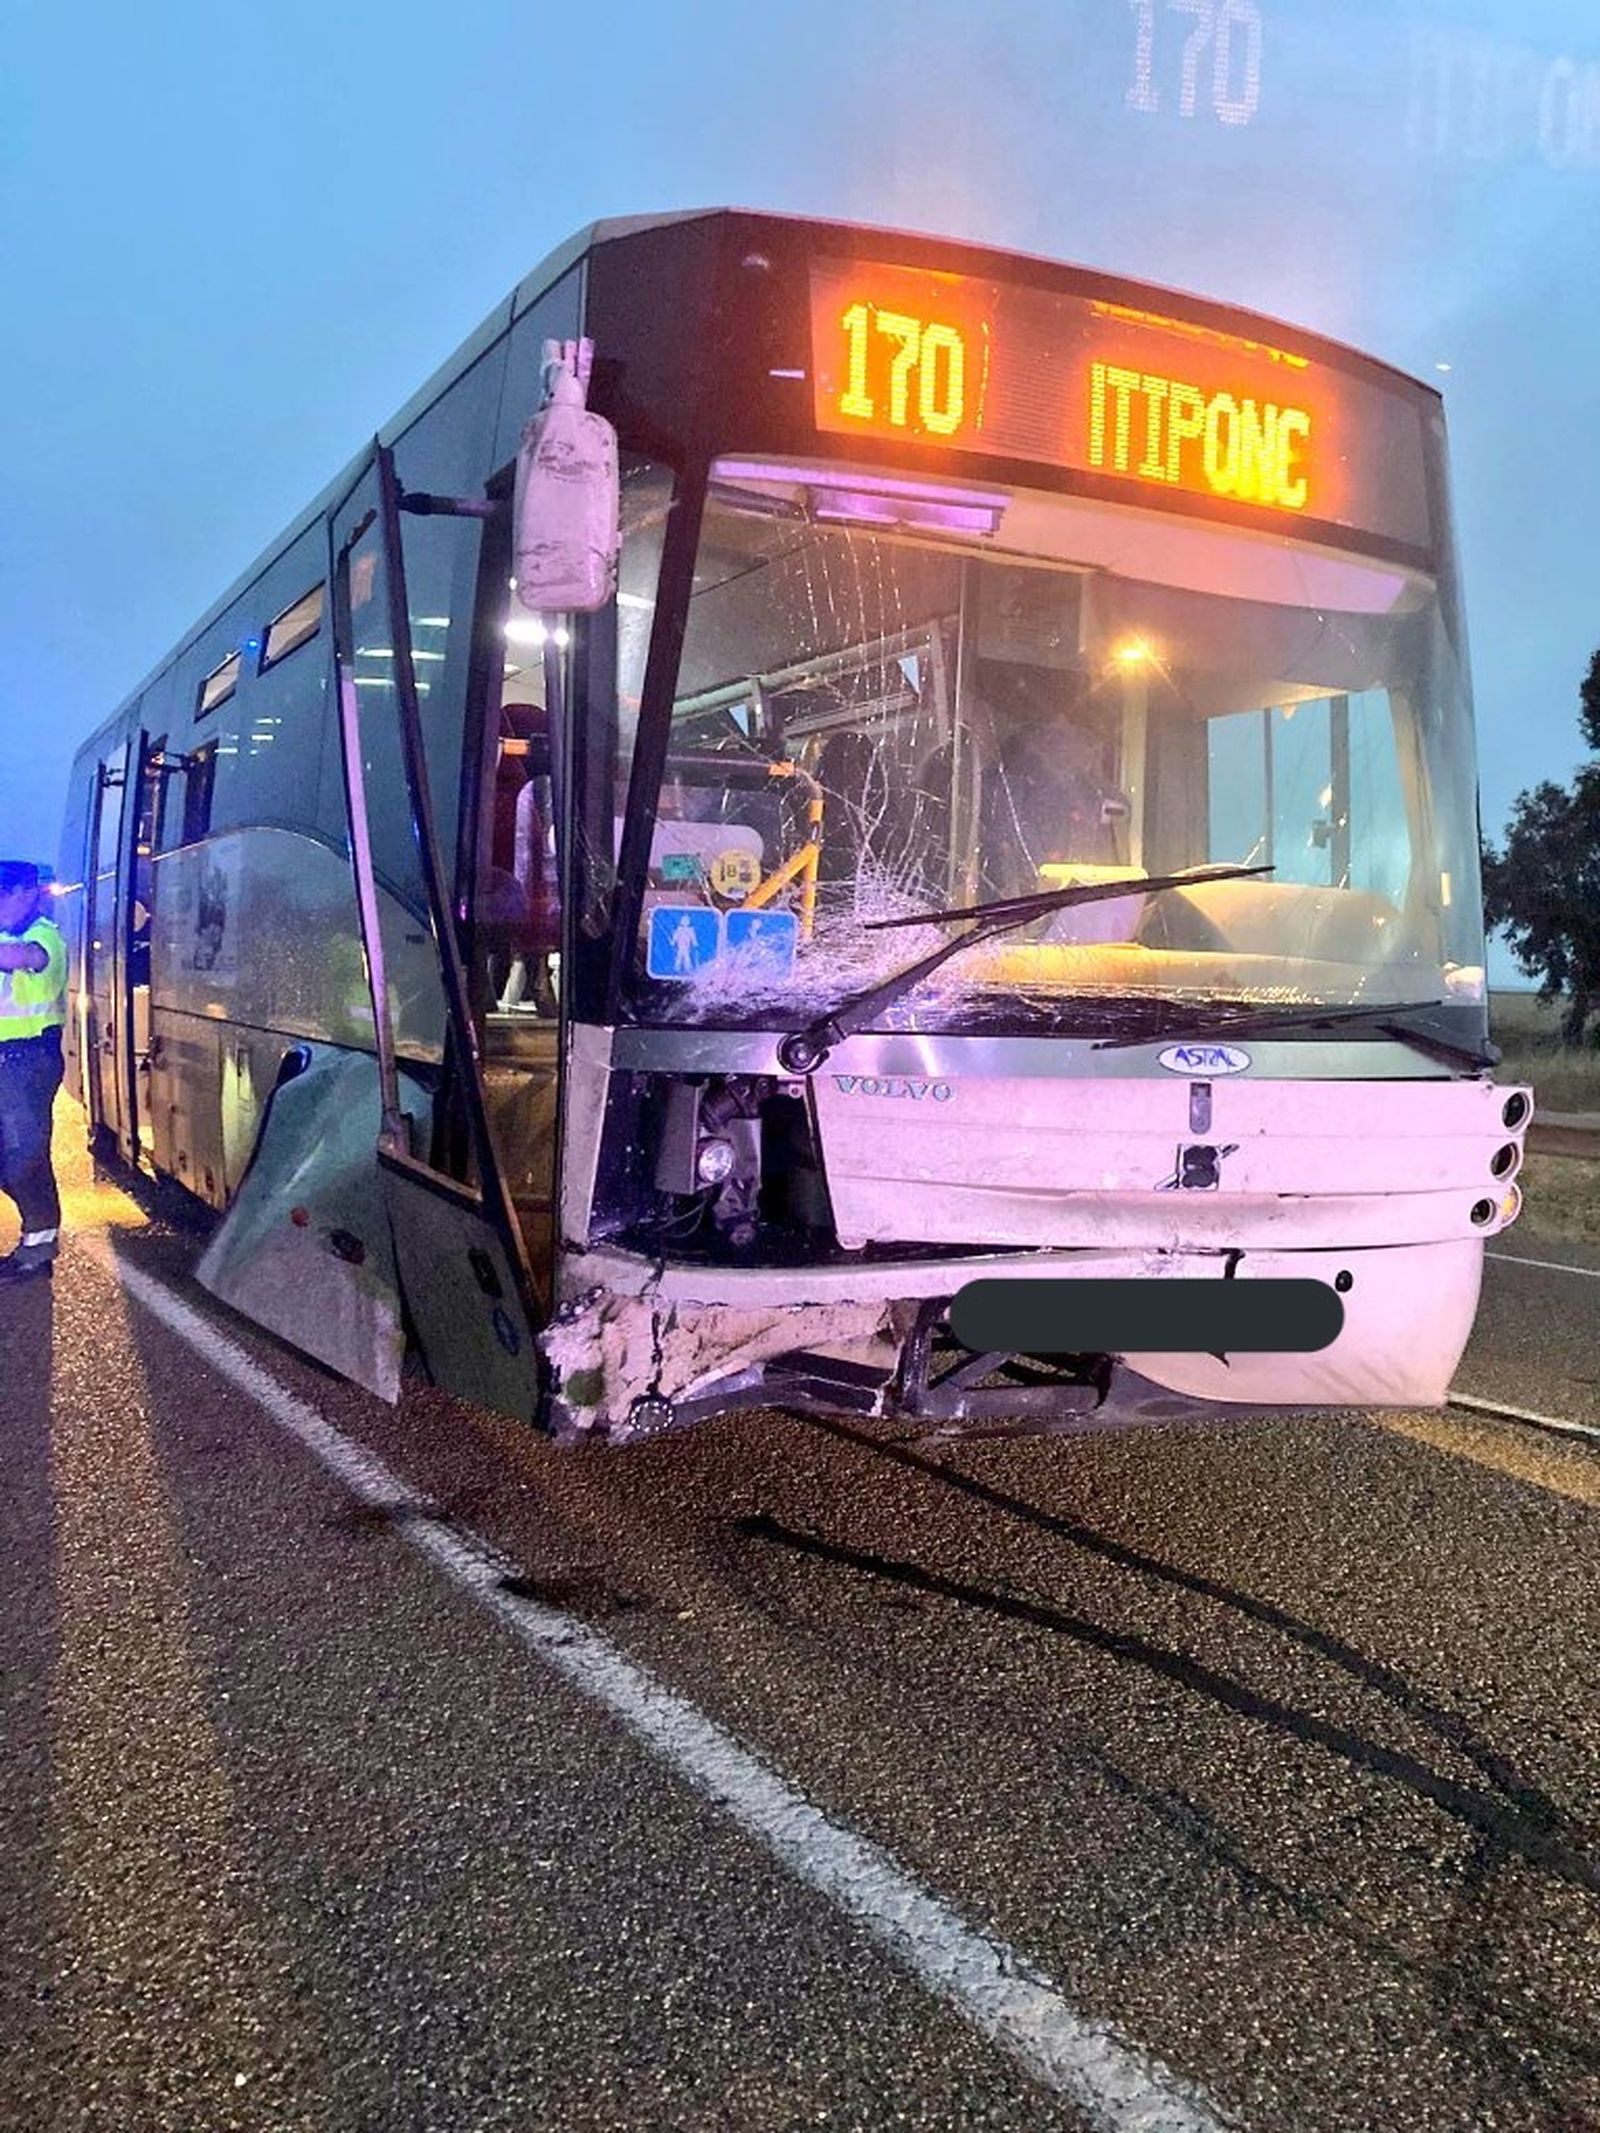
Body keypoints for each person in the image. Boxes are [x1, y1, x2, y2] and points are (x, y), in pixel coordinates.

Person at [0, 861, 68, 1285]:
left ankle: (38, 1250)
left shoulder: (44, 935)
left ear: (25, 893)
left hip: (27, 1062)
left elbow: (27, 958)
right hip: (7, 1062)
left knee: (24, 1158)